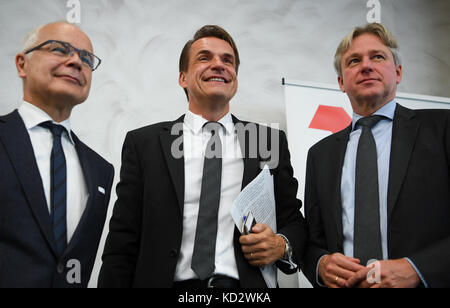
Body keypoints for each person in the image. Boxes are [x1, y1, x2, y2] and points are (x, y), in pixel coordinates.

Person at [98, 25, 306, 288]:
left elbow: (293, 220)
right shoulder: (144, 144)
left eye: (227, 60)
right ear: (182, 78)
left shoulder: (268, 142)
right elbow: (122, 240)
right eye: (205, 58)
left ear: (235, 79)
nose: (218, 65)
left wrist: (280, 244)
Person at [302, 23, 450, 288]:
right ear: (341, 83)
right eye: (354, 61)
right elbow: (313, 242)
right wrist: (321, 264)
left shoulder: (442, 129)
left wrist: (417, 270)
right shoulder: (320, 156)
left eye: (378, 56)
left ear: (398, 72)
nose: (366, 66)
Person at [0, 22, 114, 288]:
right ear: (22, 64)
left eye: (86, 58)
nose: (76, 61)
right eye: (60, 49)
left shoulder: (102, 170)